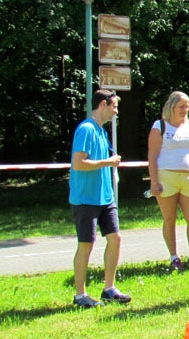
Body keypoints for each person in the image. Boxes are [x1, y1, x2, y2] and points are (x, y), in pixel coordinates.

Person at [68, 89, 131, 308]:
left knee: (115, 239)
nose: (116, 112)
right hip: (86, 198)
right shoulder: (86, 130)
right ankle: (79, 295)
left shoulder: (101, 132)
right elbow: (78, 163)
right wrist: (108, 162)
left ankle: (109, 289)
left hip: (105, 198)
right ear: (103, 104)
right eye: (114, 107)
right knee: (86, 244)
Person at [147, 91, 189, 272]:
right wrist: (154, 181)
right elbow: (153, 155)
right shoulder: (160, 126)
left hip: (188, 177)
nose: (184, 110)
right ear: (172, 106)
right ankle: (174, 257)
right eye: (181, 106)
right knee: (169, 218)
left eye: (187, 106)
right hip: (166, 177)